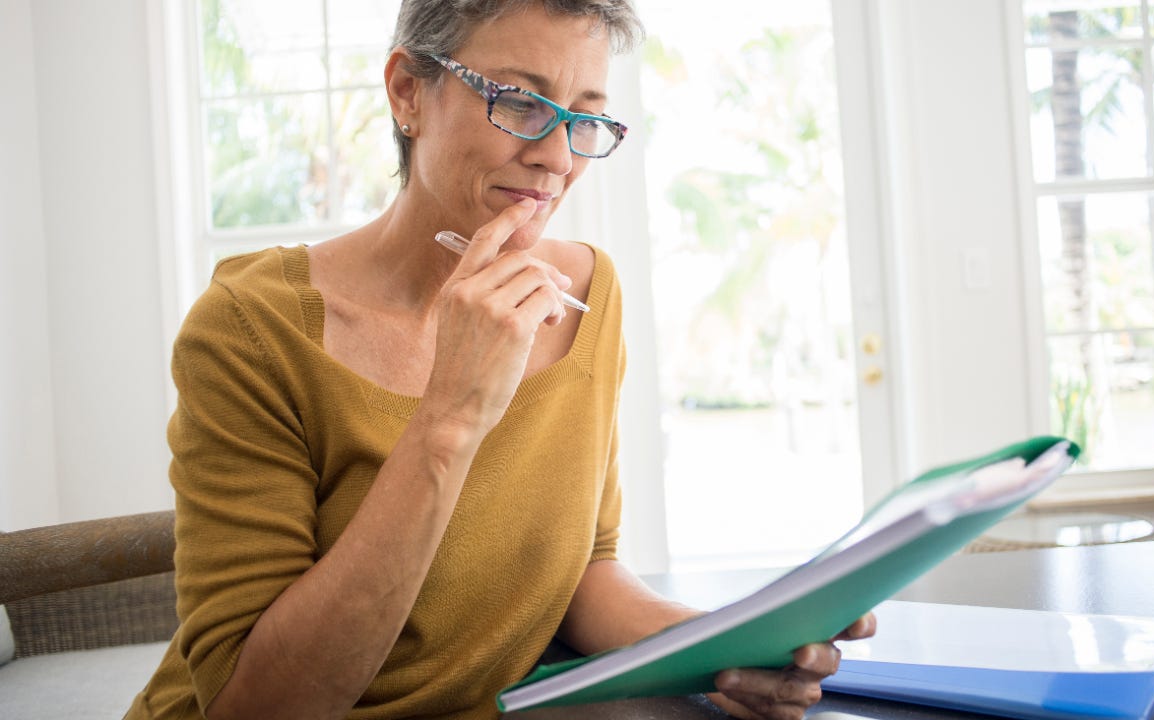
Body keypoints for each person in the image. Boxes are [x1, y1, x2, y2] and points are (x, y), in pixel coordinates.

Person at [126, 1, 874, 718]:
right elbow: (260, 707)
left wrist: (724, 647)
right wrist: (450, 417)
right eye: (520, 103)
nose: (556, 159)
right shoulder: (251, 330)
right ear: (407, 93)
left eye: (585, 117)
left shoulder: (587, 294)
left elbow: (582, 570)